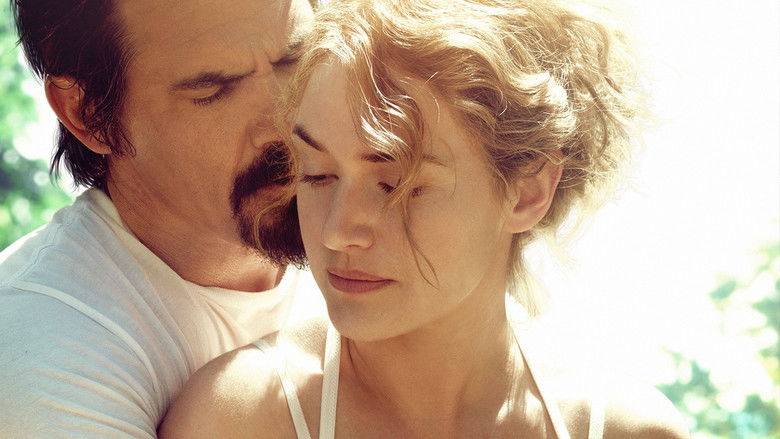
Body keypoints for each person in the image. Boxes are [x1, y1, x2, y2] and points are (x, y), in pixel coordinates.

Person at [160, 0, 690, 437]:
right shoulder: (240, 419)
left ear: (527, 192)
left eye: (398, 185)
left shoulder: (627, 429)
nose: (337, 230)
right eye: (317, 174)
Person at [0, 0, 324, 437]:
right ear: (89, 113)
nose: (284, 123)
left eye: (295, 59)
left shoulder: (396, 229)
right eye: (214, 90)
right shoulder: (45, 352)